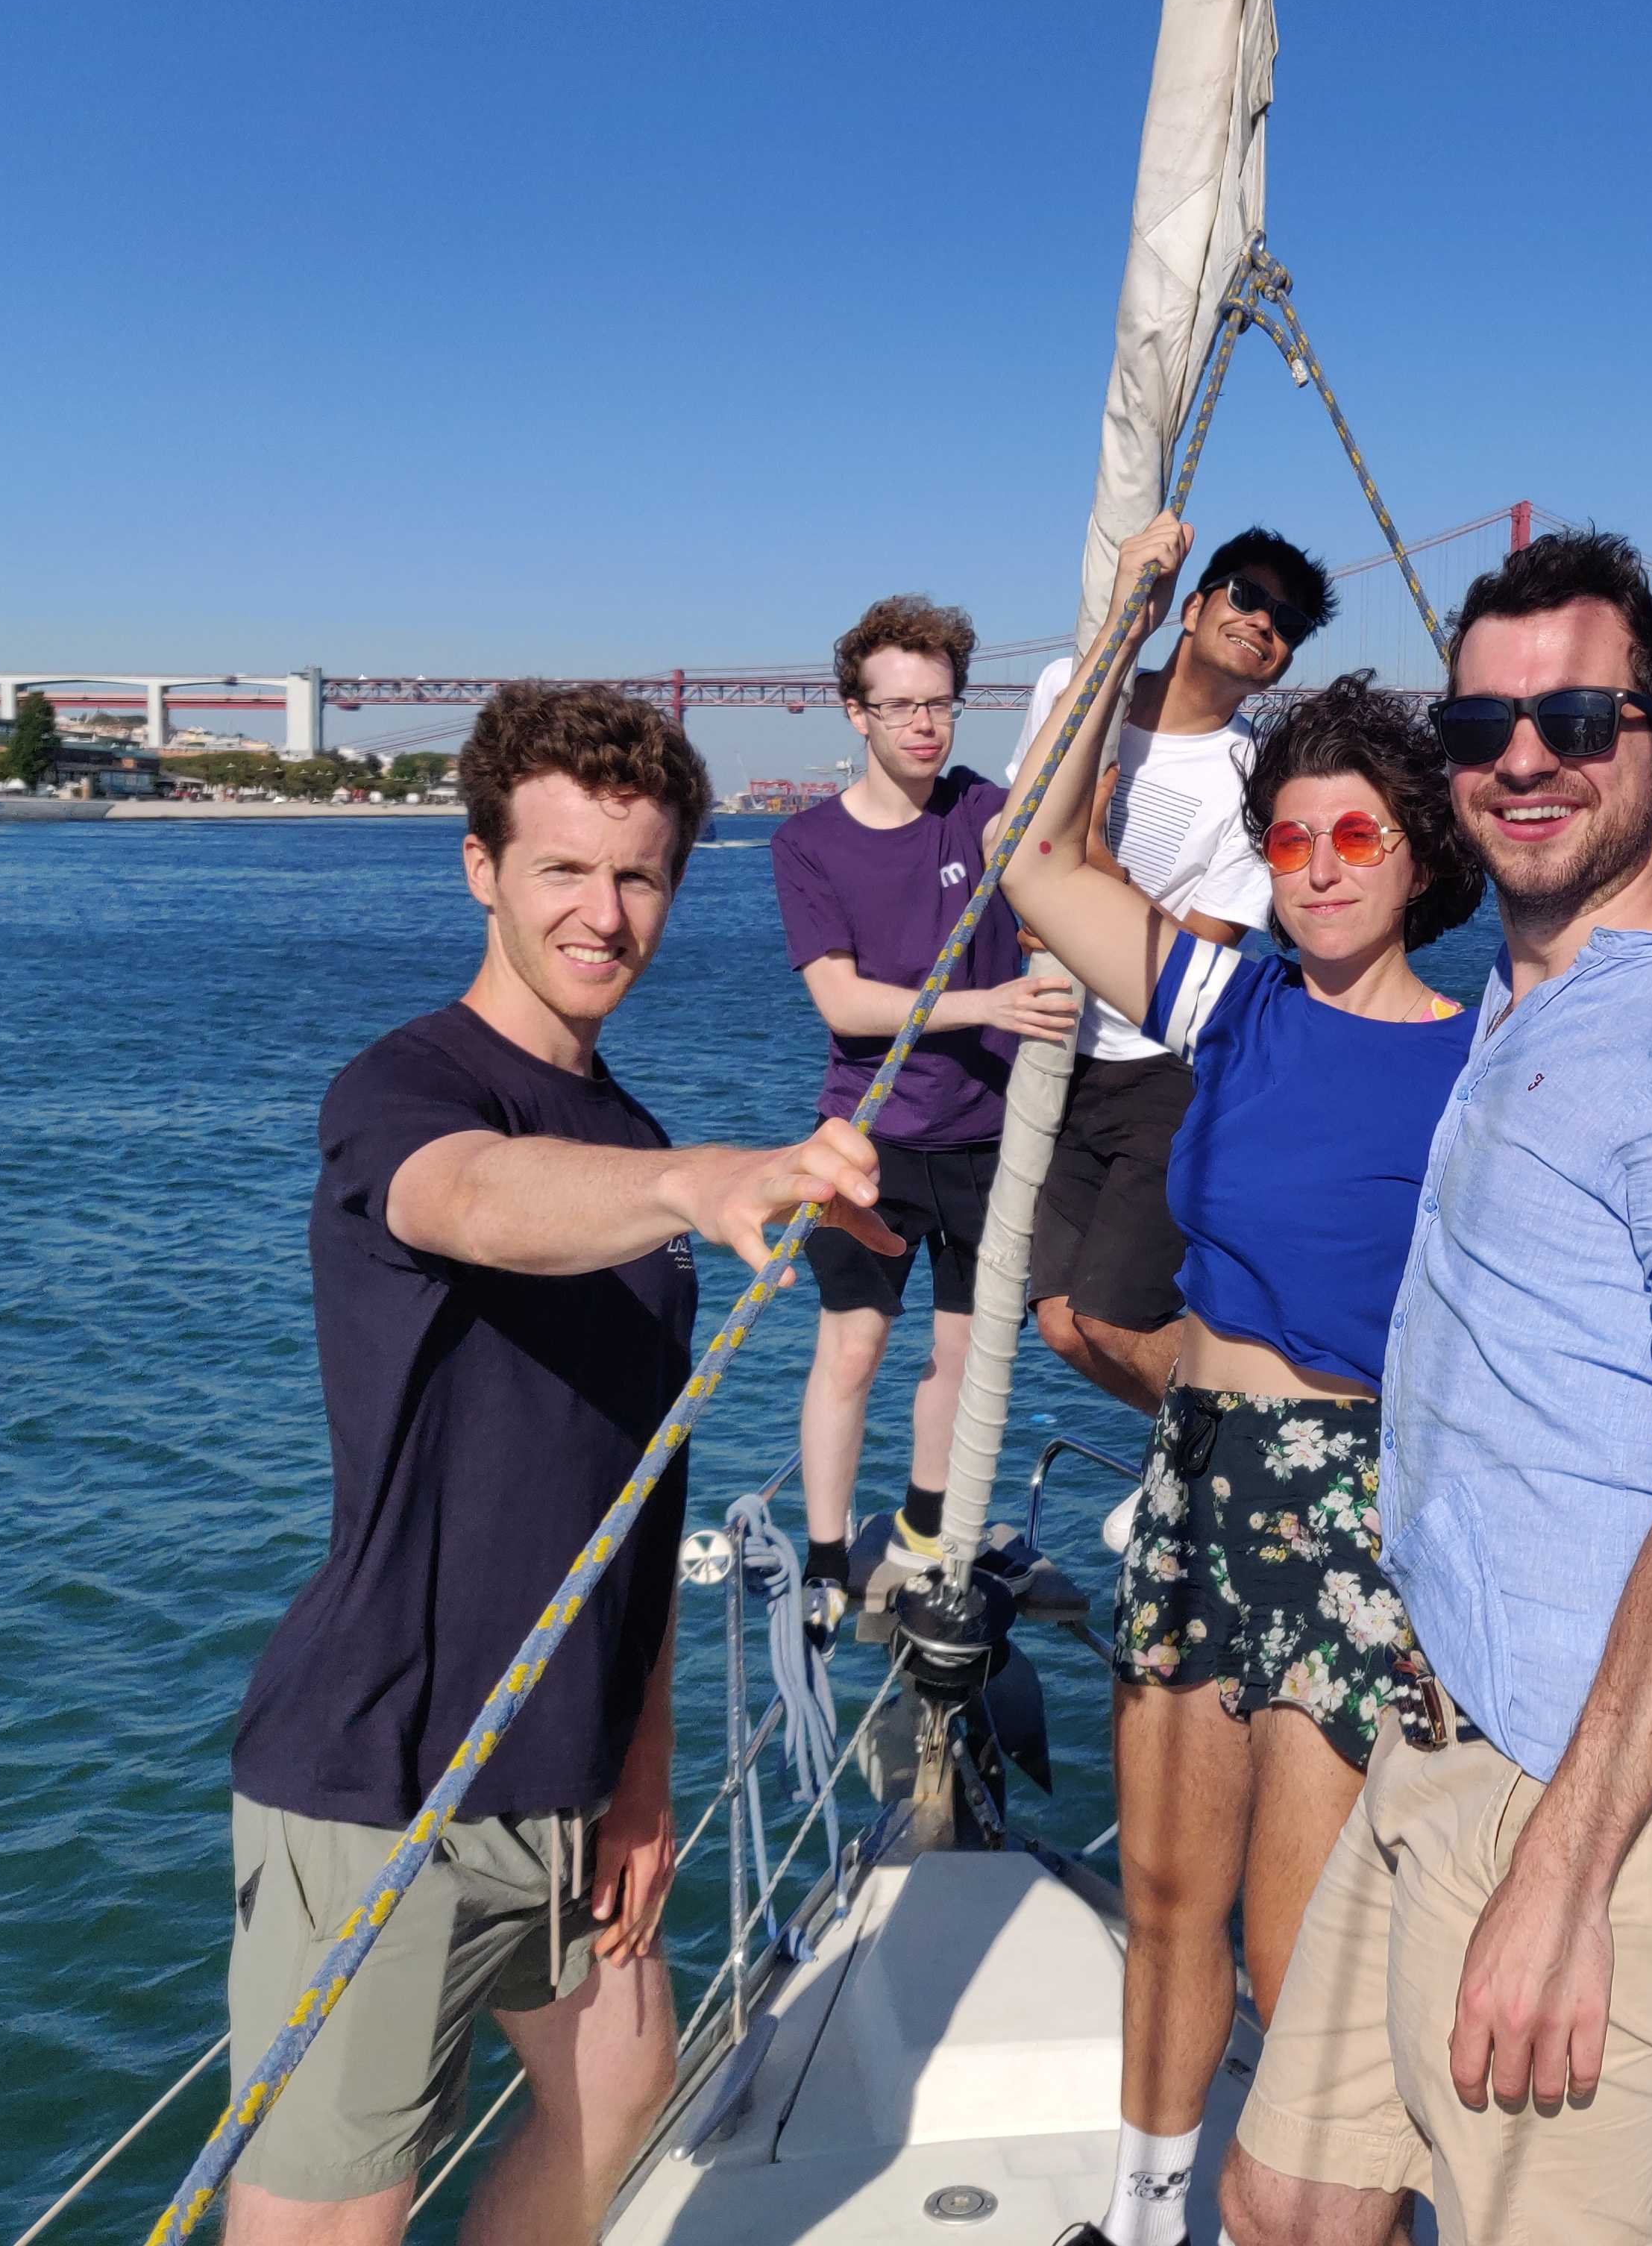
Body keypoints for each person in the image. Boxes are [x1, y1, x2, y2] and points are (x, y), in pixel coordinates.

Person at [1223, 531, 1652, 2246]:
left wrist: (1567, 1871)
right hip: (1440, 1737)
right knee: (1287, 2197)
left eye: (1580, 714)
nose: (1526, 754)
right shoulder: (1528, 1003)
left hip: (1598, 1802)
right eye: (1485, 720)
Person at [219, 682, 899, 2246]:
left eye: (640, 874)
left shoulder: (634, 1145)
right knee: (326, 2217)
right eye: (563, 871)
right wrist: (703, 1177)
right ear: (480, 868)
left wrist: (643, 1774)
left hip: (571, 1778)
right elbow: (469, 1199)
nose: (605, 915)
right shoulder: (410, 1091)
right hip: (386, 1768)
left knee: (624, 2083)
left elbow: (636, 1496)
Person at [1002, 513, 1483, 2246]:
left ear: (1421, 855)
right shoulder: (1237, 1001)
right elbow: (1038, 857)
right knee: (1164, 1893)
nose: (1317, 857)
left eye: (1357, 829)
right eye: (1288, 831)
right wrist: (1122, 622)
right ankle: (1144, 2223)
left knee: (1301, 1948)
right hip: (1198, 1478)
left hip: (1356, 1512)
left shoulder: (1487, 1065)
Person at [769, 596, 1078, 1631]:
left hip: (987, 1139)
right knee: (852, 1346)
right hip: (868, 1140)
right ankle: (822, 1557)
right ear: (854, 712)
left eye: (940, 704)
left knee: (962, 1353)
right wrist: (984, 1005)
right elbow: (842, 1003)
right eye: (899, 706)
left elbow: (1063, 803)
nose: (923, 726)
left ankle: (919, 1530)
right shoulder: (807, 844)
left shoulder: (984, 811)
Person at [1014, 526, 1334, 1411]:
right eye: (1246, 596)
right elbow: (1010, 838)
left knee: (1116, 1318)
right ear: (1191, 606)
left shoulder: (1253, 783)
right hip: (1053, 1050)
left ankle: (1251, 1456)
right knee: (1057, 1322)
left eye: (1290, 622)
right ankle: (1196, 1457)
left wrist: (1088, 874)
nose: (1266, 622)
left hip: (1160, 1072)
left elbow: (1201, 954)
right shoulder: (1074, 688)